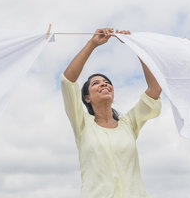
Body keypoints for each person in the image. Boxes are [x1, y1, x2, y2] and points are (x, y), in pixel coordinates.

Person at [60, 28, 162, 198]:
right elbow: (66, 81)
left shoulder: (128, 124)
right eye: (96, 83)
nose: (104, 84)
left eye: (107, 82)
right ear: (87, 98)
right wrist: (92, 44)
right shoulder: (82, 124)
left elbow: (154, 90)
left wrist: (135, 48)